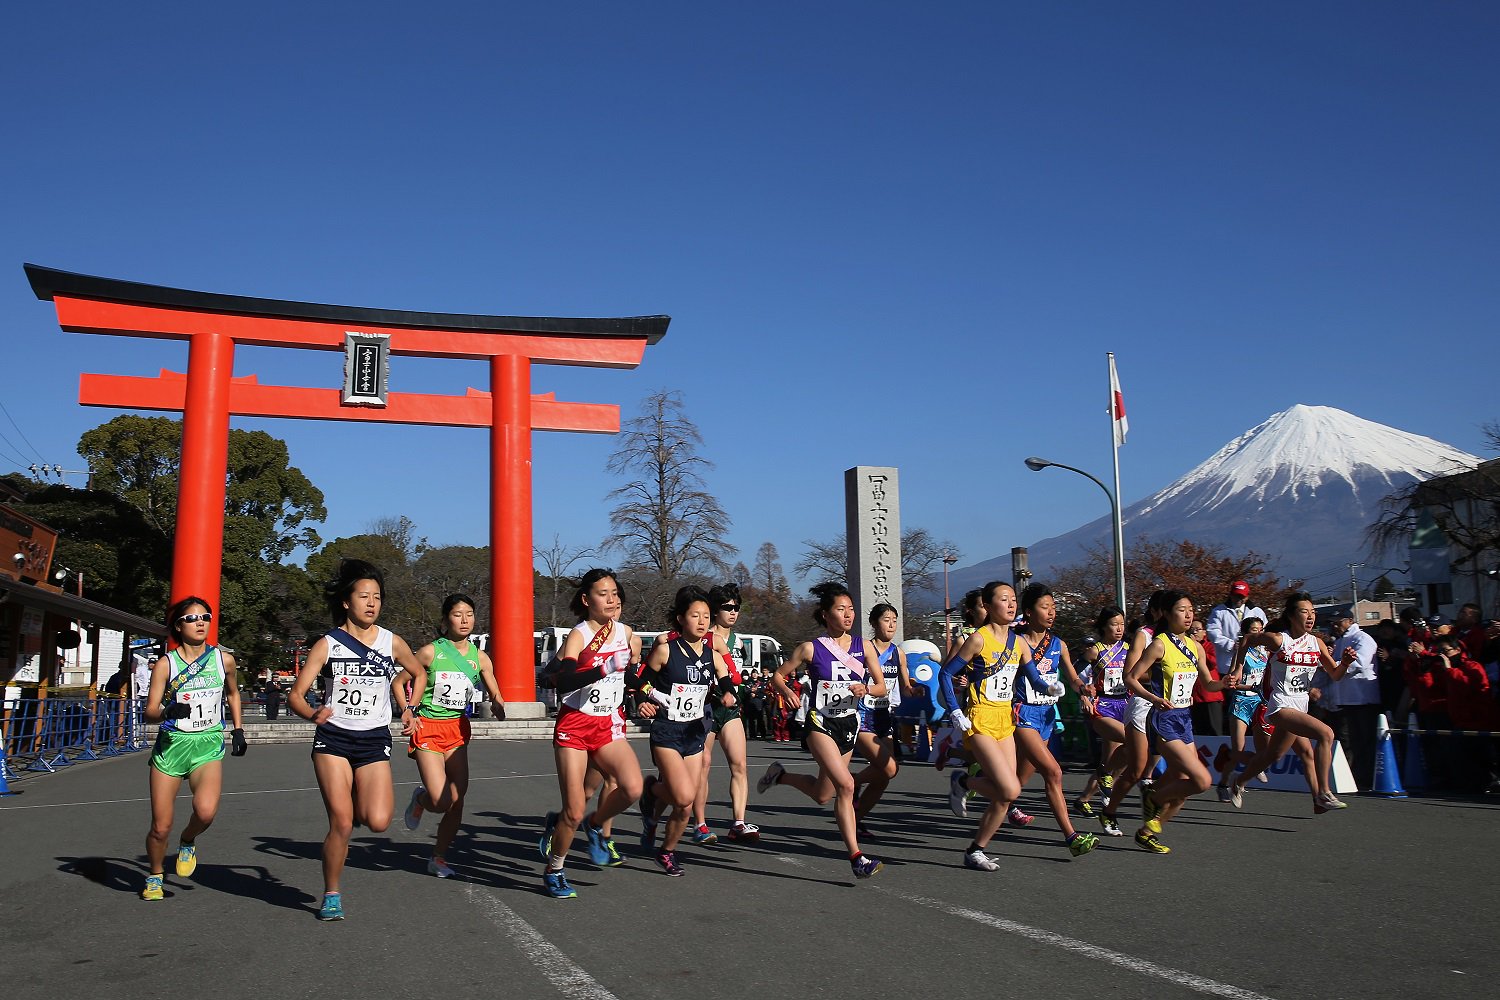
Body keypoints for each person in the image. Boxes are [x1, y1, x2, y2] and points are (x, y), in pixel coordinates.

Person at [288, 559, 426, 920]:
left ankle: (355, 793)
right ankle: (331, 893)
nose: (371, 603)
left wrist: (409, 708)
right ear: (346, 602)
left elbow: (418, 673)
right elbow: (296, 696)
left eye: (377, 597)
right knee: (343, 824)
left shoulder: (391, 641)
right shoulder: (328, 644)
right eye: (364, 596)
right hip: (333, 738)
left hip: (373, 738)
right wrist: (312, 713)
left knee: (379, 821)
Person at [757, 582, 886, 879]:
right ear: (825, 615)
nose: (848, 615)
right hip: (820, 724)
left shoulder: (864, 646)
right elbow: (776, 677)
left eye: (851, 609)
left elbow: (880, 687)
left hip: (848, 724)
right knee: (847, 786)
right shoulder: (810, 648)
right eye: (841, 610)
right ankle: (856, 857)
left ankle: (780, 775)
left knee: (822, 794)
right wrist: (787, 691)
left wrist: (866, 687)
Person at [535, 568, 644, 899]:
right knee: (572, 810)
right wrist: (603, 668)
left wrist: (651, 693)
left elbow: (631, 679)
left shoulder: (628, 634)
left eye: (615, 593)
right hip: (575, 725)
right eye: (603, 593)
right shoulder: (578, 636)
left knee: (633, 788)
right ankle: (555, 868)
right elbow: (565, 681)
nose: (611, 599)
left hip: (607, 723)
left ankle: (596, 825)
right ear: (586, 599)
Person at [939, 580, 1061, 871]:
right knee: (1008, 790)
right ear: (988, 606)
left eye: (1012, 600)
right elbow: (945, 675)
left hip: (1005, 720)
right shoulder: (978, 639)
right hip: (979, 719)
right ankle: (963, 782)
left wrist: (1049, 689)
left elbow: (1033, 678)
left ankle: (975, 850)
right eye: (1003, 600)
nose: (1010, 604)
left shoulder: (1019, 642)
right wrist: (955, 710)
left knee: (1007, 794)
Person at [140, 597, 246, 901]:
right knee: (160, 827)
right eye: (192, 618)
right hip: (172, 746)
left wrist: (238, 729)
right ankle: (156, 874)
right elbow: (149, 711)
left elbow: (234, 693)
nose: (200, 623)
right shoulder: (166, 664)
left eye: (206, 617)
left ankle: (188, 840)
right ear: (178, 626)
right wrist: (167, 712)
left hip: (207, 745)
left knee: (206, 811)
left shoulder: (223, 660)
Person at [402, 593, 507, 877]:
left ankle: (438, 857)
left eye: (469, 614)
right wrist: (408, 710)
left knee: (458, 798)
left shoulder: (480, 657)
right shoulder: (429, 652)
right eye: (458, 614)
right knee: (441, 800)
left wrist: (498, 704)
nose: (464, 620)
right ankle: (422, 800)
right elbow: (399, 681)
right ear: (445, 620)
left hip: (457, 730)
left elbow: (494, 690)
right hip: (427, 728)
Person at [636, 586, 738, 875]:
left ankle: (666, 849)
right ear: (681, 618)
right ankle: (653, 792)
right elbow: (642, 681)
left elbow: (725, 678)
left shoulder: (712, 653)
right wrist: (644, 701)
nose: (702, 621)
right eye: (695, 615)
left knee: (687, 802)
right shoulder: (665, 650)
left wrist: (728, 694)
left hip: (695, 732)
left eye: (706, 615)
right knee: (682, 797)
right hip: (667, 731)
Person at [1225, 592, 1354, 813]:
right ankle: (1323, 793)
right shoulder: (1278, 639)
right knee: (1326, 734)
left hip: (1300, 706)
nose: (1311, 616)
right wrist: (1237, 668)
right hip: (1280, 706)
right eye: (1305, 612)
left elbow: (1335, 674)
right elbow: (1246, 640)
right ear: (1292, 616)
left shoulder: (1317, 643)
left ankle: (1239, 781)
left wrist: (1347, 663)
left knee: (1274, 755)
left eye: (1313, 612)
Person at [1125, 591, 1229, 853]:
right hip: (1164, 720)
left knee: (1182, 790)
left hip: (1185, 719)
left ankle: (1147, 831)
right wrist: (1154, 698)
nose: (1188, 614)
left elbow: (1208, 683)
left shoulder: (1195, 647)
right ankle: (1154, 797)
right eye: (1182, 610)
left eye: (1191, 609)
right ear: (1168, 614)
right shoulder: (1159, 644)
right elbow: (1131, 678)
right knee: (1202, 781)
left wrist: (1226, 683)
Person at [1011, 584, 1099, 858]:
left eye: (1053, 607)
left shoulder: (1058, 644)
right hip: (1022, 713)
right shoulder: (1015, 642)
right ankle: (1071, 836)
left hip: (1047, 715)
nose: (1051, 612)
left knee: (1017, 781)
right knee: (1053, 772)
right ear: (1028, 612)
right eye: (1044, 607)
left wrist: (1082, 687)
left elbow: (1072, 676)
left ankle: (971, 784)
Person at [692, 583, 758, 844]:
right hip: (704, 709)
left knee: (740, 765)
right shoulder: (702, 637)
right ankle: (700, 823)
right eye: (727, 608)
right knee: (703, 766)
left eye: (737, 608)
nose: (733, 612)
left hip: (730, 710)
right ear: (714, 610)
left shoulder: (739, 642)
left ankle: (738, 823)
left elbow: (738, 676)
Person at [1101, 591, 1173, 827]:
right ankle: (1109, 810)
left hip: (1172, 709)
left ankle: (1149, 825)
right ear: (1155, 612)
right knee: (1136, 769)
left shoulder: (1181, 640)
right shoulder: (1145, 635)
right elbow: (1131, 673)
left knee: (1185, 772)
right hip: (1144, 703)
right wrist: (1161, 674)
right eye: (1170, 609)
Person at [852, 603, 914, 832]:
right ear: (874, 623)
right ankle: (851, 783)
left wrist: (915, 690)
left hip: (884, 716)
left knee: (884, 777)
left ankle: (855, 820)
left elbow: (906, 686)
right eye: (886, 619)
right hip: (863, 713)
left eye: (894, 620)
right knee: (889, 768)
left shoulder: (899, 653)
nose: (891, 624)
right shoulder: (864, 648)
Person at [1076, 605, 1129, 835]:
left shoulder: (1128, 648)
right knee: (1132, 742)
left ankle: (1085, 798)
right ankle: (1107, 807)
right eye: (1114, 624)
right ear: (1103, 626)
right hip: (1103, 706)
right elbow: (1074, 674)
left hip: (1125, 705)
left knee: (1112, 762)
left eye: (1122, 624)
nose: (1119, 629)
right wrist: (1084, 694)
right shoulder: (1095, 651)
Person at [1217, 616, 1271, 798]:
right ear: (1246, 633)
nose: (1259, 633)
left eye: (1261, 629)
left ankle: (1236, 783)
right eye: (1254, 630)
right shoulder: (1241, 652)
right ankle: (1224, 783)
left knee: (1266, 750)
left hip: (1260, 702)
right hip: (1242, 701)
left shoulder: (1267, 651)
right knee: (1238, 750)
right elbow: (1232, 682)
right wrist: (1250, 687)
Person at [1328, 611, 1380, 791]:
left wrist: (1336, 665)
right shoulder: (1339, 641)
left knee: (1365, 740)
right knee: (1352, 741)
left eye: (1338, 621)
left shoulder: (1362, 638)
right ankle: (1357, 776)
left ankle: (1368, 777)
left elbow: (1360, 663)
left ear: (1350, 620)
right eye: (1333, 622)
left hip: (1363, 698)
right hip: (1346, 699)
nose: (1335, 625)